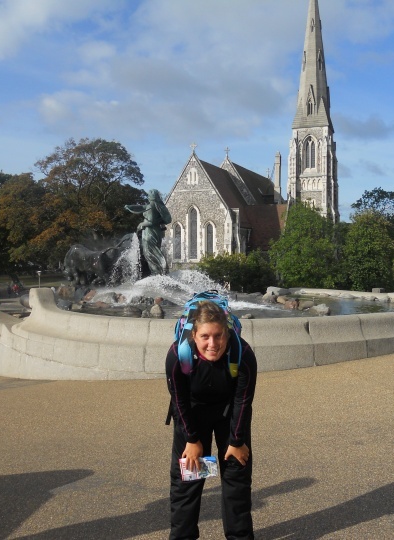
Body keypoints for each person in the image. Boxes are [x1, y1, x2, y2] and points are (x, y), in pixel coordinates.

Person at [165, 301, 257, 540]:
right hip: (193, 413)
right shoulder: (178, 354)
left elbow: (243, 401)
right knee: (189, 478)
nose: (212, 344)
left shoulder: (242, 354)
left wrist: (237, 441)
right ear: (194, 334)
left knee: (236, 474)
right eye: (205, 336)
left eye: (218, 336)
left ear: (226, 333)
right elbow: (179, 401)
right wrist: (192, 439)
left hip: (228, 411)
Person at [125, 188, 172, 276]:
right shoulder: (156, 205)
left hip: (149, 233)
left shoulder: (151, 207)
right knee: (155, 251)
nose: (147, 197)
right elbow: (141, 207)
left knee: (149, 253)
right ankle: (161, 272)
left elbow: (150, 221)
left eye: (148, 195)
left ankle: (156, 273)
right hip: (156, 232)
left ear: (151, 196)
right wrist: (130, 207)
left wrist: (141, 224)